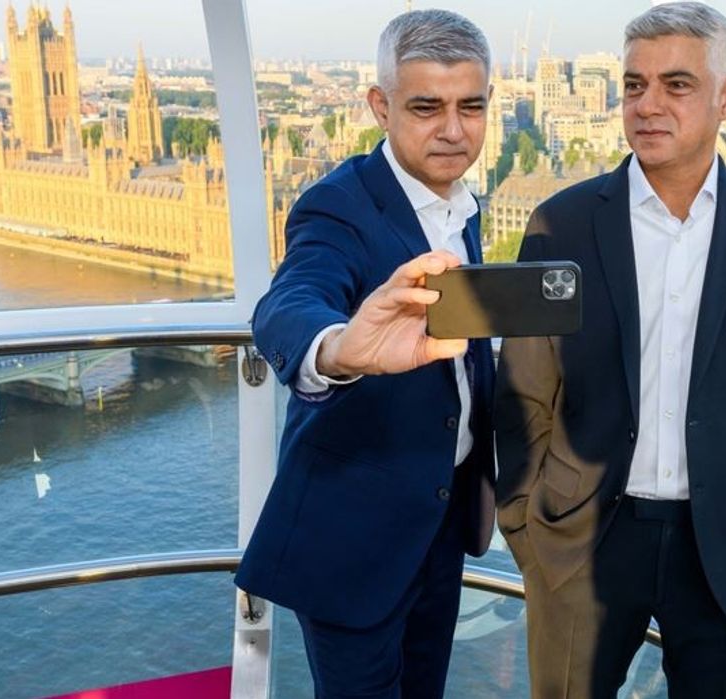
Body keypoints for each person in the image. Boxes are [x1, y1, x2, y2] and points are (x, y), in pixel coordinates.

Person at [493, 3, 726, 697]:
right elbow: (523, 391)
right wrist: (526, 530)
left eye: (675, 85)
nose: (646, 105)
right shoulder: (559, 223)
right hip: (582, 542)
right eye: (632, 85)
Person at [234, 10, 496, 698]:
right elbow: (288, 303)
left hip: (437, 520)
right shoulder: (337, 206)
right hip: (352, 538)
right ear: (379, 106)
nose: (453, 129)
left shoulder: (462, 204)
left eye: (471, 106)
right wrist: (340, 348)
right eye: (425, 107)